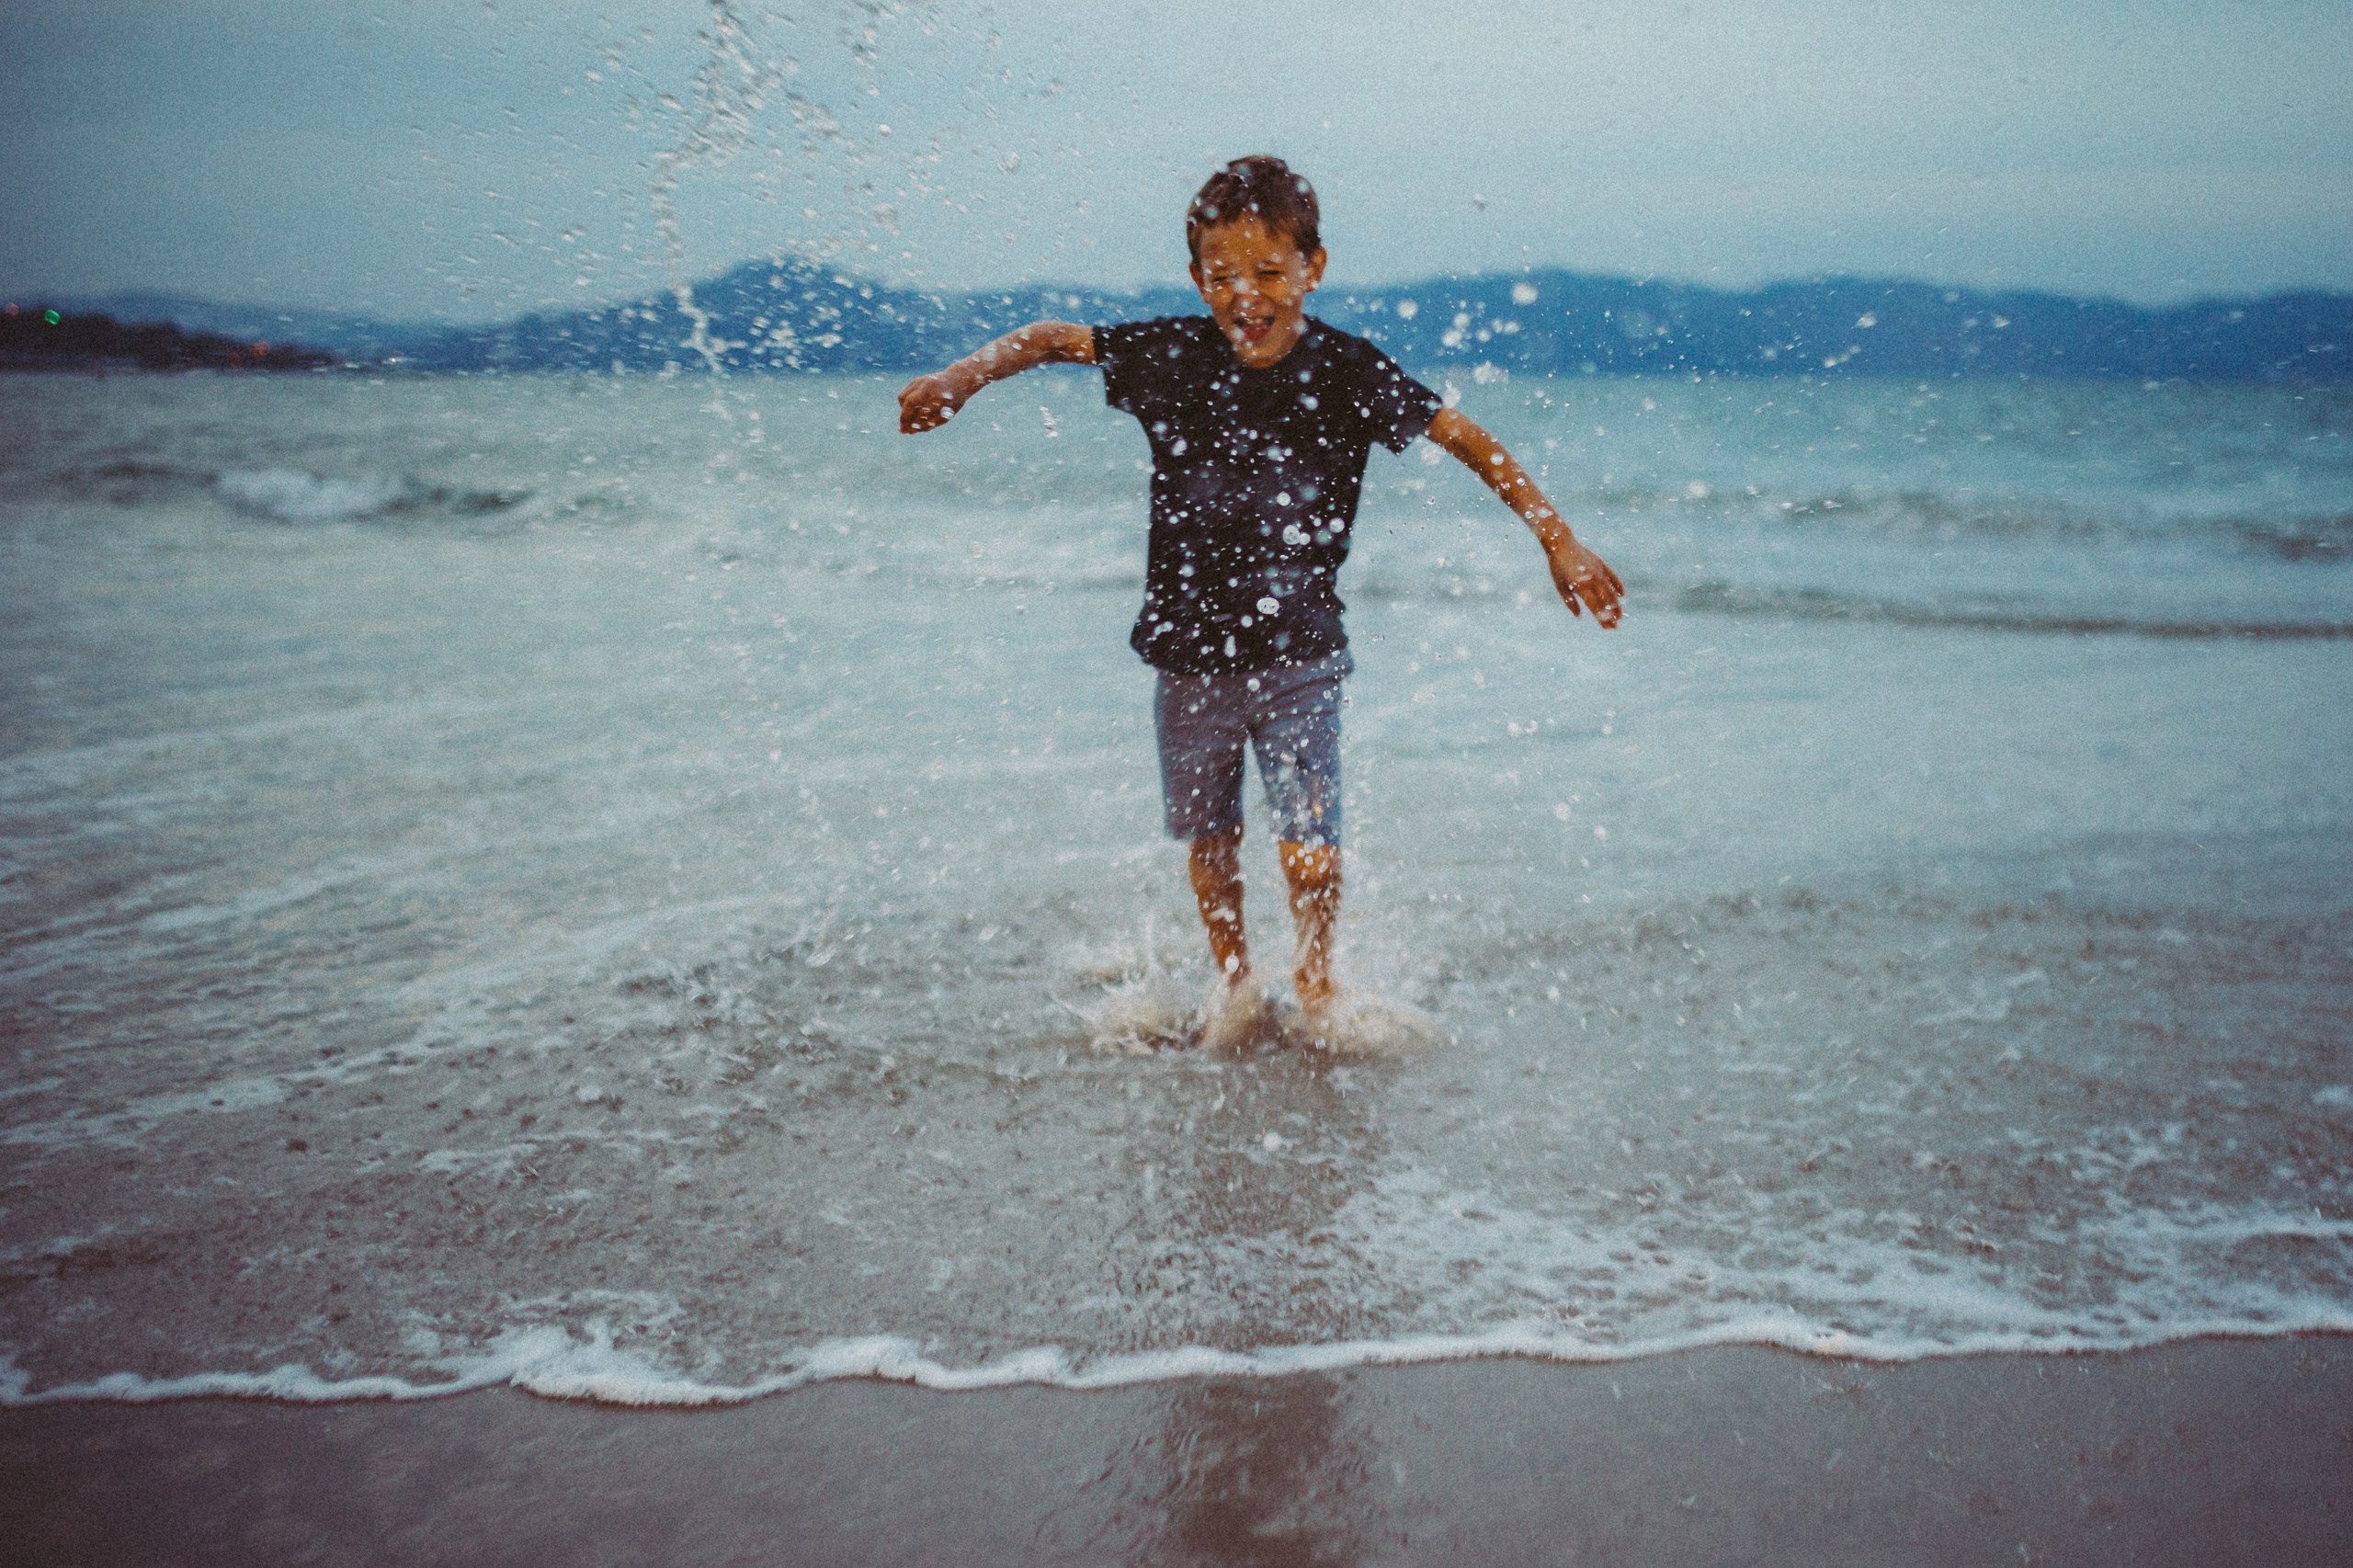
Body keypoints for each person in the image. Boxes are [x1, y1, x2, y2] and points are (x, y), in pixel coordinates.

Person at [898, 155, 1622, 1045]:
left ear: (1313, 269)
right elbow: (1053, 337)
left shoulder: (1349, 372)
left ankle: (1316, 981)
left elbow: (1465, 437)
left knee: (1309, 844)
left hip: (1301, 658)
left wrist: (1557, 537)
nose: (1246, 294)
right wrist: (959, 380)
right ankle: (1236, 986)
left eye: (1268, 273)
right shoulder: (1170, 354)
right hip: (1188, 659)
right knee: (1211, 841)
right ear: (1197, 276)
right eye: (1223, 275)